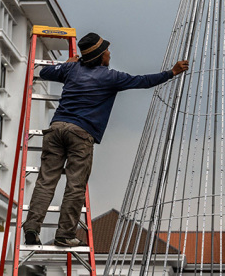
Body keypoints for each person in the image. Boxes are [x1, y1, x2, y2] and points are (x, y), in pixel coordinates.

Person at [23, 32, 188, 247]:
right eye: (107, 50)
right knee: (75, 185)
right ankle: (64, 235)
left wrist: (67, 63)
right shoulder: (111, 77)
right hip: (80, 134)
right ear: (101, 56)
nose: (110, 53)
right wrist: (171, 72)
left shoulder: (71, 69)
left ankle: (32, 228)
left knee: (45, 181)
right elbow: (143, 81)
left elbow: (44, 72)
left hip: (55, 129)